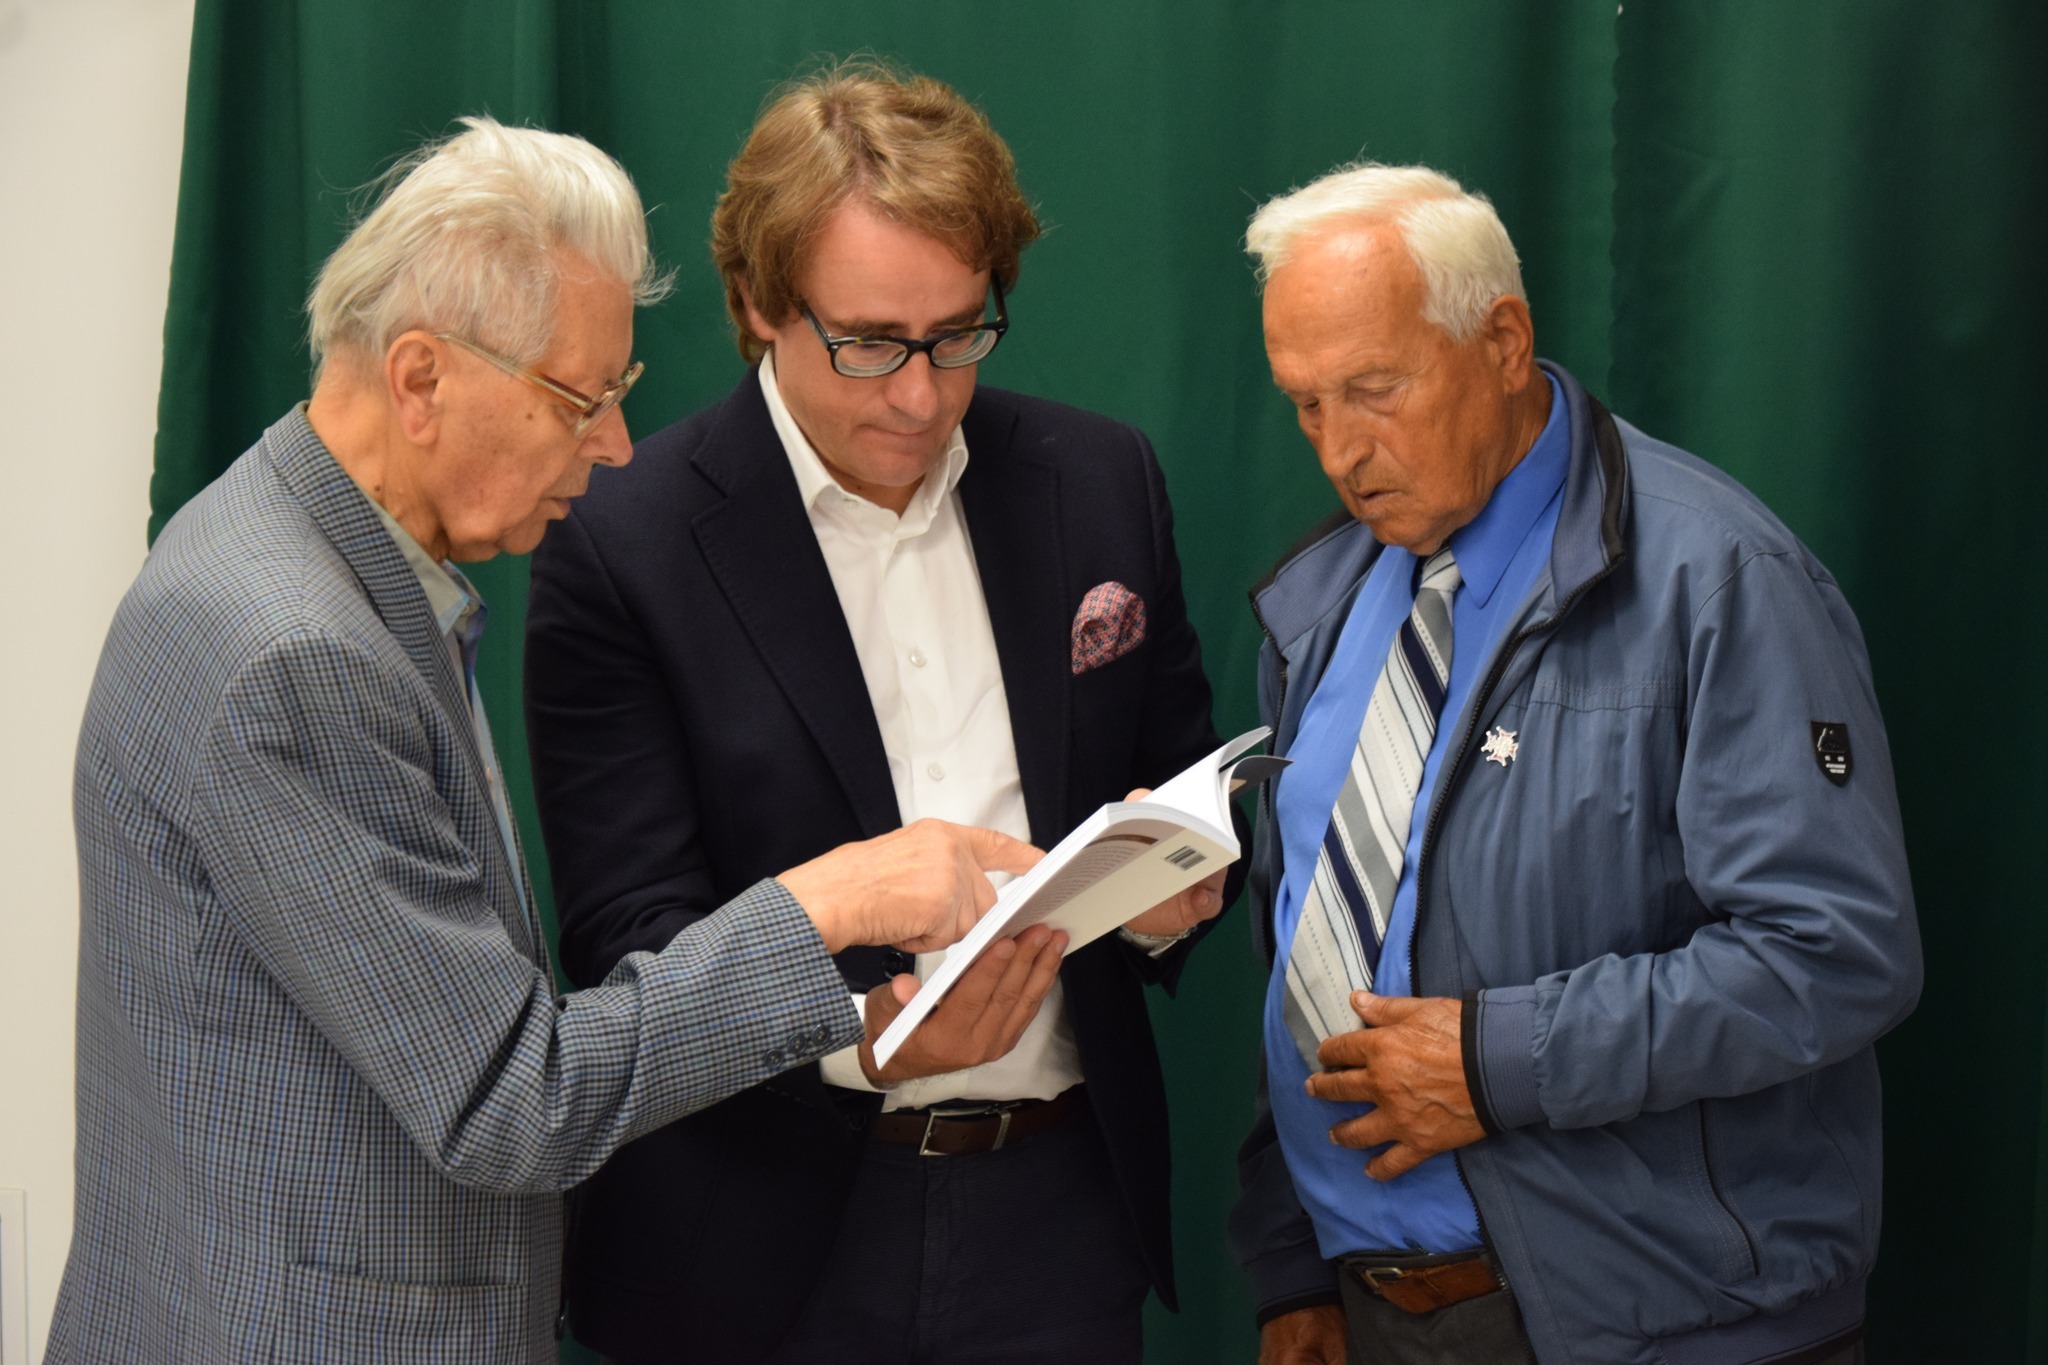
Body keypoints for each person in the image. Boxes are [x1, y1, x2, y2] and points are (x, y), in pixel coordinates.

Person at [48, 116, 1037, 1365]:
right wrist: (821, 906)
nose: (614, 444)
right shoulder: (294, 656)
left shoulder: (278, 542)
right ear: (420, 379)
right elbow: (510, 1101)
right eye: (582, 399)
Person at [524, 62, 1236, 1365]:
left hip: (1061, 1216)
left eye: (958, 335)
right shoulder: (623, 540)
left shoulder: (1098, 479)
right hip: (760, 1237)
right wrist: (864, 1047)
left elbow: (1173, 777)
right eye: (868, 343)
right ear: (758, 304)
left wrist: (1174, 889)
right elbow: (629, 933)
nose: (919, 393)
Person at [1226, 163, 1920, 1365]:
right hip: (1376, 1313)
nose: (1339, 449)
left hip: (1673, 1326)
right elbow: (1309, 943)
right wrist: (1296, 1262)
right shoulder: (1317, 604)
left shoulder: (1715, 580)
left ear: (1501, 342)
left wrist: (1497, 1063)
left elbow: (1835, 953)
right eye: (1305, 405)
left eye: (1373, 390)